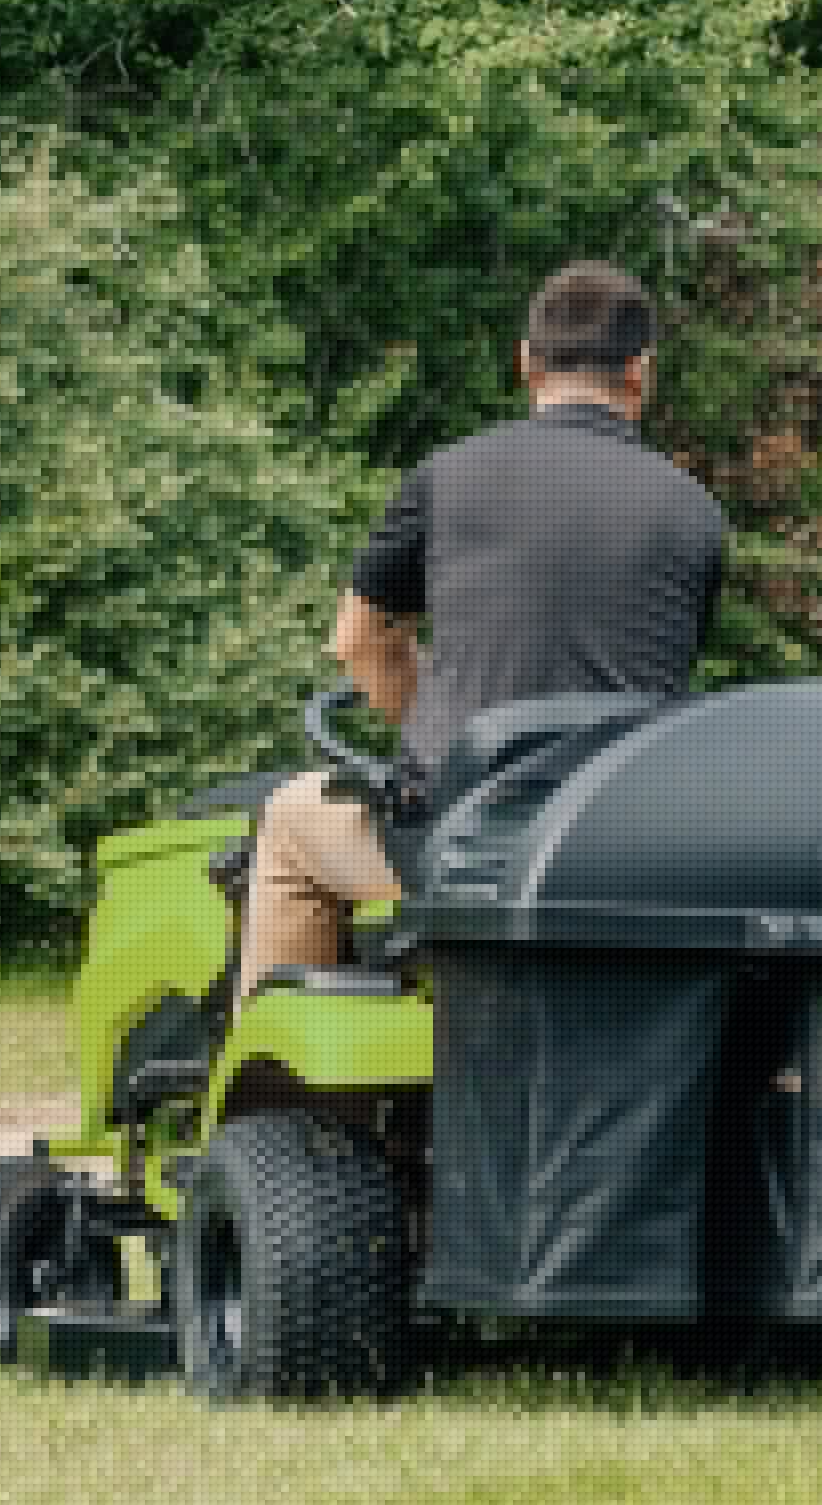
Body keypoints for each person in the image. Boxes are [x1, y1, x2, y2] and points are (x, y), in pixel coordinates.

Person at [236, 260, 728, 1006]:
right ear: (640, 372)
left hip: (459, 835)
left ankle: (269, 1066)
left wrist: (440, 724)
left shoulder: (447, 476)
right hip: (615, 845)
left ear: (526, 362)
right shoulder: (695, 511)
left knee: (287, 823)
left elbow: (358, 641)